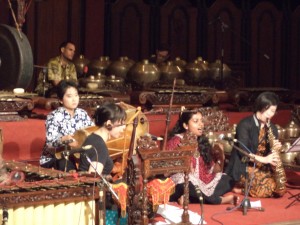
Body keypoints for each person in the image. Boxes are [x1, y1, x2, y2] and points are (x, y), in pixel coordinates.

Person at [167, 109, 237, 205]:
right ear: (185, 125)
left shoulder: (203, 142)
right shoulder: (176, 141)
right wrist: (186, 166)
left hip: (203, 183)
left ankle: (190, 199)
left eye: (201, 121)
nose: (201, 124)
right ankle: (219, 200)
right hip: (183, 181)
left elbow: (213, 171)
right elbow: (169, 169)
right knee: (186, 183)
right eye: (196, 121)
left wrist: (221, 158)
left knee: (228, 180)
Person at [225, 91, 284, 198]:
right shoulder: (244, 124)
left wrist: (275, 149)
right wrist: (264, 159)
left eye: (273, 112)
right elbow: (243, 153)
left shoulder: (272, 128)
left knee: (278, 189)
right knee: (265, 189)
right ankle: (239, 187)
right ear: (262, 107)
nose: (271, 115)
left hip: (262, 166)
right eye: (270, 111)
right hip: (245, 166)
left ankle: (248, 187)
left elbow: (270, 154)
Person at [39, 80, 94, 171]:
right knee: (65, 164)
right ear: (61, 100)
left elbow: (92, 131)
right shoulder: (53, 116)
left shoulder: (82, 113)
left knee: (103, 159)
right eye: (69, 96)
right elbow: (50, 143)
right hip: (56, 157)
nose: (74, 99)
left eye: (76, 95)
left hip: (78, 154)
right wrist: (63, 140)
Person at [77, 102, 126, 176]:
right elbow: (92, 179)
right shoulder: (99, 146)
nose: (124, 127)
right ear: (109, 123)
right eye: (121, 124)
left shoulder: (93, 138)